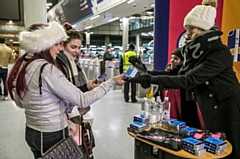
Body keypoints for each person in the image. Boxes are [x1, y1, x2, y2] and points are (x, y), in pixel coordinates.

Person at [129, 5, 240, 159]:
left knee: (226, 150)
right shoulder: (193, 51)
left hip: (223, 108)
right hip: (201, 105)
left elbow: (189, 79)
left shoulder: (219, 52)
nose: (187, 33)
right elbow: (176, 73)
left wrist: (151, 79)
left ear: (203, 29)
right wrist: (146, 72)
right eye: (186, 28)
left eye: (191, 29)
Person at [6, 21, 125, 159]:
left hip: (32, 132)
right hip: (52, 134)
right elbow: (82, 99)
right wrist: (111, 82)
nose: (60, 49)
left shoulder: (25, 66)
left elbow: (20, 103)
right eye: (56, 44)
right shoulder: (47, 69)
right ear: (43, 45)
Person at [56, 22, 98, 158]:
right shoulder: (59, 65)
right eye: (73, 47)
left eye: (79, 47)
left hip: (75, 114)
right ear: (62, 45)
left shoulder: (73, 65)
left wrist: (87, 87)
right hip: (66, 118)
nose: (77, 51)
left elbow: (73, 89)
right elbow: (65, 93)